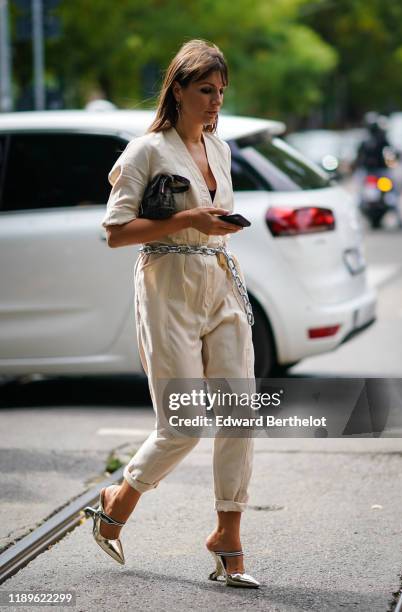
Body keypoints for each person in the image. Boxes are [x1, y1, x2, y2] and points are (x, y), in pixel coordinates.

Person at [84, 39, 260, 589]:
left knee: (239, 412)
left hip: (220, 279)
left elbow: (208, 217)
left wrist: (218, 228)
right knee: (183, 424)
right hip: (167, 284)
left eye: (221, 92)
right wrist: (188, 223)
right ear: (178, 89)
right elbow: (115, 233)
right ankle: (119, 499)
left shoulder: (220, 148)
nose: (215, 102)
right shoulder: (146, 151)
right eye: (205, 90)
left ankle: (228, 536)